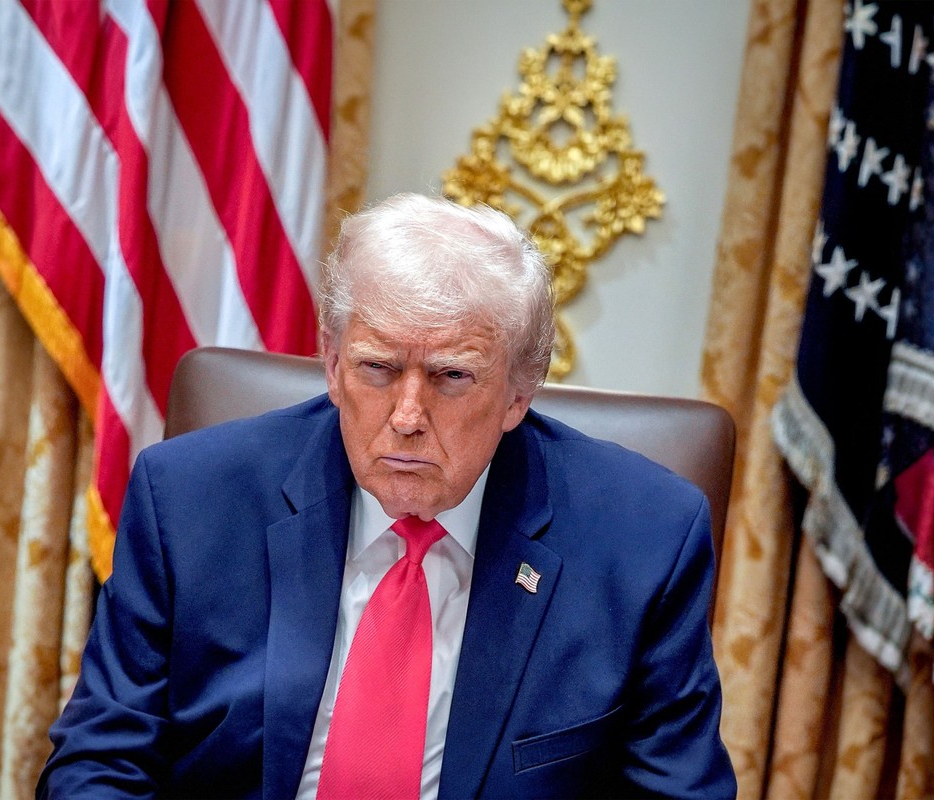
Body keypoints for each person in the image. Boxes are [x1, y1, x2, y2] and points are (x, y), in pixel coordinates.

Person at [37, 193, 736, 799]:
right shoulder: (187, 499)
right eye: (377, 369)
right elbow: (101, 760)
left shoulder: (645, 540)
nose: (406, 414)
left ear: (520, 391)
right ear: (333, 363)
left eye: (451, 377)